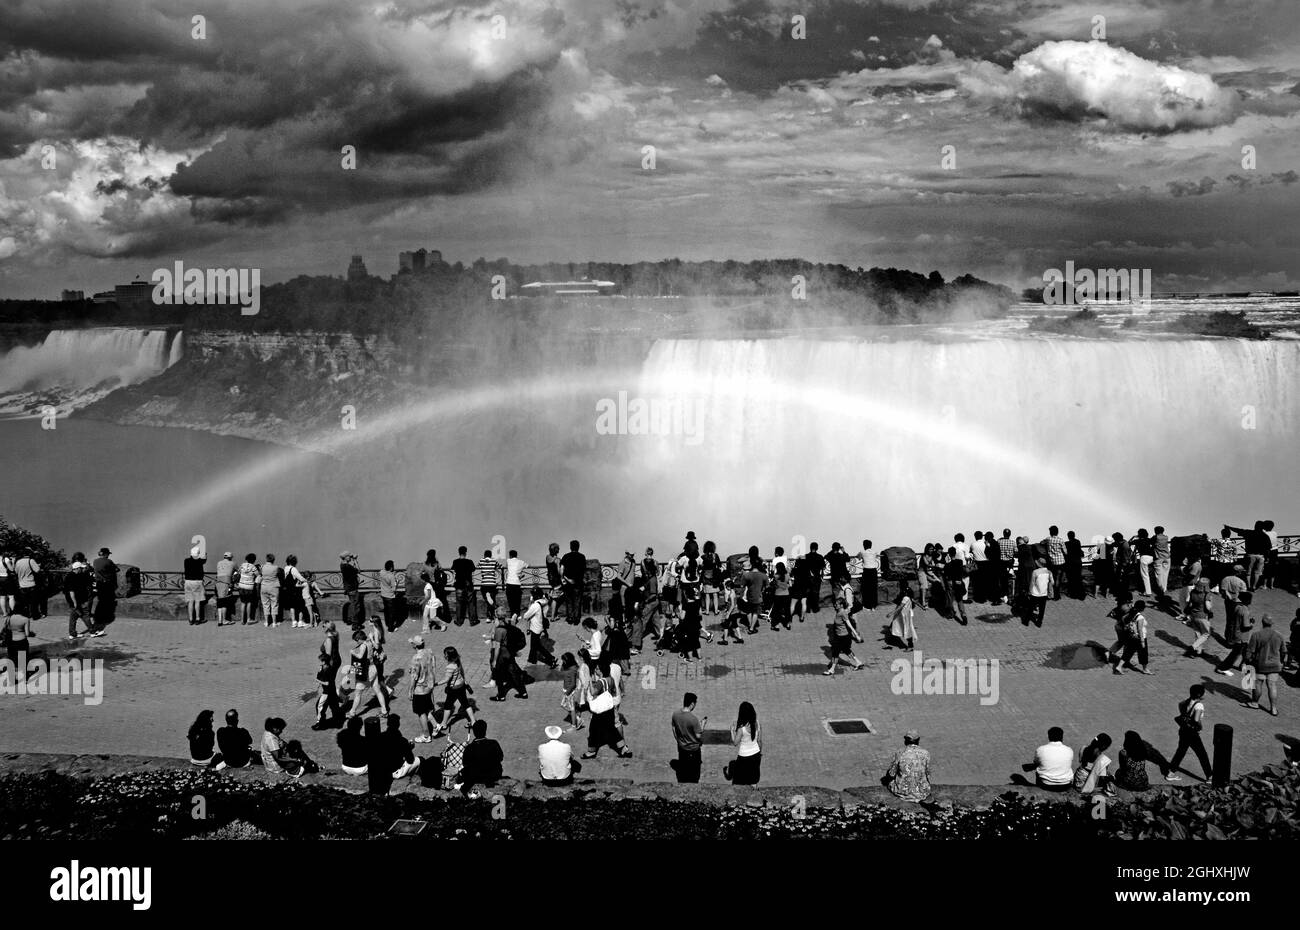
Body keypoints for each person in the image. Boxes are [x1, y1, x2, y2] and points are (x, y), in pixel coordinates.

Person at [580, 672, 632, 760]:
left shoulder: (600, 682)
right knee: (612, 730)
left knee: (593, 730)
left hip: (600, 711)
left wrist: (589, 683)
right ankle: (624, 749)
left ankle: (591, 751)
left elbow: (593, 693)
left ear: (600, 670)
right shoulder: (610, 679)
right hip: (608, 708)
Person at [1166, 685, 1212, 781]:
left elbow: (1180, 704)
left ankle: (1171, 773)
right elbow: (1196, 719)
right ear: (1200, 694)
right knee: (1202, 754)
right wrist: (1200, 726)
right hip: (1192, 733)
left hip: (1183, 730)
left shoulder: (1187, 701)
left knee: (1181, 751)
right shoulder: (1199, 705)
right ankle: (1210, 776)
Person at [1243, 615, 1284, 715]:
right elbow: (1283, 651)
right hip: (1274, 665)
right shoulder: (1279, 635)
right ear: (1272, 623)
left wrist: (1247, 662)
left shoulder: (1256, 635)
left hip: (1260, 664)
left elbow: (1250, 651)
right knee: (1272, 685)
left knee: (1258, 684)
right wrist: (1281, 662)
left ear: (1262, 622)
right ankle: (1273, 709)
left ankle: (1255, 703)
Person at [432, 646, 475, 736]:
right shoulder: (457, 661)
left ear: (449, 656)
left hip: (454, 689)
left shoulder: (450, 666)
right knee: (465, 704)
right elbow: (461, 673)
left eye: (445, 654)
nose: (444, 656)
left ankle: (444, 724)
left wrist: (435, 684)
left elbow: (446, 680)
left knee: (448, 706)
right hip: (461, 685)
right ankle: (473, 722)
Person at [880, 730, 932, 801]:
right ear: (918, 740)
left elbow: (891, 773)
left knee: (889, 779)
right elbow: (928, 774)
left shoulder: (900, 752)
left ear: (906, 740)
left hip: (902, 791)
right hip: (922, 792)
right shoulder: (926, 753)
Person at [403, 635, 438, 741]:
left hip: (420, 689)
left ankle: (426, 736)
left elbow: (414, 677)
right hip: (429, 685)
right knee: (427, 709)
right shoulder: (429, 652)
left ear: (415, 645)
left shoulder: (415, 658)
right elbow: (433, 666)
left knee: (421, 712)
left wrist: (410, 690)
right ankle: (436, 725)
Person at [458, 719, 504, 798]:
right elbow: (500, 757)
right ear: (485, 730)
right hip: (492, 775)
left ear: (474, 732)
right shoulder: (493, 743)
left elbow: (465, 763)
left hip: (475, 776)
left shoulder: (469, 747)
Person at [489, 613, 529, 701]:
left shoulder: (499, 630)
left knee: (499, 675)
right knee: (514, 673)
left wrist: (495, 660)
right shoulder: (509, 623)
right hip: (510, 653)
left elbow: (497, 647)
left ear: (497, 618)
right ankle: (523, 692)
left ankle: (501, 696)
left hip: (502, 655)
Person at [1216, 590, 1255, 676]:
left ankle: (1244, 665)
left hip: (1236, 633)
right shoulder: (1244, 610)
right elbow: (1246, 626)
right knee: (1235, 653)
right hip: (1242, 637)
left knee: (1245, 650)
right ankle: (1222, 667)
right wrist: (1251, 624)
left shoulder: (1238, 607)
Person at [62, 554, 101, 639]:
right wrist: (75, 602)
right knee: (85, 615)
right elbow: (71, 591)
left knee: (74, 618)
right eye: (81, 568)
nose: (82, 569)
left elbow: (66, 591)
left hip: (72, 601)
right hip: (78, 601)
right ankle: (92, 632)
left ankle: (72, 634)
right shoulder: (73, 577)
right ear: (78, 568)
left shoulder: (69, 576)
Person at [1110, 599, 1153, 675]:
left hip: (1132, 637)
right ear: (1142, 608)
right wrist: (1142, 641)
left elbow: (1123, 619)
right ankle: (1145, 669)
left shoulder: (1131, 614)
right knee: (1143, 654)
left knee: (1128, 653)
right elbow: (1140, 630)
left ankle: (1119, 667)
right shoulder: (1140, 617)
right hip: (1140, 638)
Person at [1224, 521, 1270, 591]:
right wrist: (1266, 557)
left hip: (1250, 555)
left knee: (1248, 572)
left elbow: (1238, 530)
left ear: (1255, 526)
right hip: (1260, 556)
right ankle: (1254, 587)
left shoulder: (1249, 533)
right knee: (1257, 573)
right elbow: (1268, 548)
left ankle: (1248, 586)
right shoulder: (1265, 536)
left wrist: (1229, 527)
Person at [671, 692, 705, 783]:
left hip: (682, 748)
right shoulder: (693, 719)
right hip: (693, 750)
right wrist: (702, 726)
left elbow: (673, 728)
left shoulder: (675, 714)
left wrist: (678, 740)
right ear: (692, 704)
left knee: (683, 773)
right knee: (694, 775)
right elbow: (698, 736)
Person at [824, 597, 865, 674]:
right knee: (846, 650)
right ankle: (858, 662)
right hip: (839, 636)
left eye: (837, 604)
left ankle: (832, 669)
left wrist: (856, 635)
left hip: (843, 637)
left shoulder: (842, 613)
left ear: (841, 605)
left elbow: (849, 625)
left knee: (835, 652)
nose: (835, 605)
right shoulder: (839, 611)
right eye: (835, 604)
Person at [724, 701, 761, 785]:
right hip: (756, 754)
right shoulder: (757, 724)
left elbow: (735, 743)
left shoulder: (741, 729)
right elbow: (759, 741)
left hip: (744, 757)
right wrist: (759, 754)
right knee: (753, 780)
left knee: (740, 781)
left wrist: (732, 731)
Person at [1030, 727, 1074, 792]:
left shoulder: (1040, 749)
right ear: (1062, 736)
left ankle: (1039, 790)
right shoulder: (1069, 750)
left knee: (1038, 769)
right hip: (1065, 785)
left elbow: (1036, 762)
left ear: (1048, 736)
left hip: (1046, 784)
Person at [1182, 577, 1214, 657]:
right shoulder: (1207, 594)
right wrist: (1210, 609)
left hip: (1193, 615)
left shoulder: (1193, 592)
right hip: (1202, 616)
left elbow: (1190, 604)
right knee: (1206, 634)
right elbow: (1208, 607)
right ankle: (1192, 648)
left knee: (1198, 634)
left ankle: (1198, 652)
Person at [385, 714, 422, 781]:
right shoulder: (402, 740)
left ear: (387, 723)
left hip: (383, 770)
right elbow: (410, 760)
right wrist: (409, 747)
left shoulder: (381, 736)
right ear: (398, 725)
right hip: (395, 771)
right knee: (420, 759)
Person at [91, 547, 119, 631]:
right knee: (106, 602)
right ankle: (101, 620)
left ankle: (97, 618)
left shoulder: (95, 561)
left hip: (99, 584)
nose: (108, 556)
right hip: (107, 584)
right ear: (106, 554)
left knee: (101, 601)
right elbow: (117, 569)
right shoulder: (108, 562)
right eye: (108, 554)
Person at [312, 655, 343, 730]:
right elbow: (319, 677)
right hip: (330, 691)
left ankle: (320, 722)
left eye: (321, 661)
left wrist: (318, 681)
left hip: (328, 692)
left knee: (319, 706)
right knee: (334, 706)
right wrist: (319, 672)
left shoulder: (329, 670)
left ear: (324, 661)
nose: (319, 662)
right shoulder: (323, 668)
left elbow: (327, 683)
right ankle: (337, 722)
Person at [560, 540, 587, 624]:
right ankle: (576, 618)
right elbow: (584, 570)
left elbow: (561, 569)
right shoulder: (582, 557)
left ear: (570, 547)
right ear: (578, 547)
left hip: (568, 582)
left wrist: (562, 578)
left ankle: (570, 618)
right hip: (578, 582)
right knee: (577, 601)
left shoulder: (565, 556)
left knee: (569, 600)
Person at [450, 546, 478, 626]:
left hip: (459, 585)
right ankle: (472, 621)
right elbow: (473, 569)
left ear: (459, 553)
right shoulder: (469, 562)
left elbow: (453, 570)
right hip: (468, 585)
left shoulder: (455, 562)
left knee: (459, 604)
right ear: (465, 552)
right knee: (471, 603)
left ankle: (459, 621)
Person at [13, 548, 43, 620]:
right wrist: (38, 565)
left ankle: (25, 615)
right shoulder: (31, 561)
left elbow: (16, 572)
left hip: (22, 585)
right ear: (29, 554)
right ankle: (35, 616)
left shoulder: (18, 562)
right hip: (31, 584)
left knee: (24, 602)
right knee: (33, 602)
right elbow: (37, 570)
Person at [943, 547, 969, 624]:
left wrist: (947, 562)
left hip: (951, 582)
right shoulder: (960, 562)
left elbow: (946, 574)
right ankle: (963, 614)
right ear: (955, 553)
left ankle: (951, 614)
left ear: (949, 554)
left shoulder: (947, 565)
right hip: (958, 582)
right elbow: (961, 571)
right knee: (959, 600)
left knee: (950, 600)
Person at [339, 551, 364, 628]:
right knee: (356, 606)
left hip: (348, 588)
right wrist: (355, 560)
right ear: (346, 557)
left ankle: (349, 619)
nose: (350, 557)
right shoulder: (348, 566)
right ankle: (355, 624)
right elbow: (359, 570)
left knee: (352, 604)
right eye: (349, 556)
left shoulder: (342, 565)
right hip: (352, 588)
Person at [1025, 558, 1053, 628]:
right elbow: (1052, 582)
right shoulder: (1049, 572)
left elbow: (1032, 583)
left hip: (1035, 593)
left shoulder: (1035, 572)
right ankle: (1039, 622)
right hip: (1044, 593)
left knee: (1031, 607)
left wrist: (1029, 591)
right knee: (1042, 608)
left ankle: (1026, 621)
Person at [559, 651, 583, 729]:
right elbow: (561, 670)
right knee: (569, 706)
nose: (563, 662)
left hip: (569, 691)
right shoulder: (568, 667)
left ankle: (574, 724)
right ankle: (576, 716)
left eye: (564, 661)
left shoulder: (572, 670)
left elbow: (573, 684)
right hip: (567, 690)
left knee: (569, 707)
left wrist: (567, 693)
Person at [282, 554, 307, 628]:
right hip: (295, 590)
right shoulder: (293, 569)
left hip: (288, 591)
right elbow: (301, 578)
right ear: (294, 562)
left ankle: (294, 621)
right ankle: (300, 621)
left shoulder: (285, 568)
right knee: (301, 606)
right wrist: (306, 581)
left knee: (292, 606)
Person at [1208, 527, 1237, 592]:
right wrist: (1235, 560)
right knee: (1228, 575)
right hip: (1230, 561)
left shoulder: (1219, 541)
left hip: (1220, 561)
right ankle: (1228, 588)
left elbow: (1210, 541)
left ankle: (1217, 588)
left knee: (1219, 575)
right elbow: (1235, 552)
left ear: (1222, 534)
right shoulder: (1233, 542)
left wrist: (1206, 537)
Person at [888, 583, 917, 650]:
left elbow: (901, 606)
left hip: (903, 616)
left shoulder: (905, 598)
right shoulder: (908, 595)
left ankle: (910, 646)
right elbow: (913, 600)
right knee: (893, 626)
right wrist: (922, 607)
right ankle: (893, 639)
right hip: (901, 616)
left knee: (906, 631)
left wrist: (891, 613)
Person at [259, 553, 282, 628]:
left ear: (266, 559)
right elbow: (279, 574)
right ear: (273, 560)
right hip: (274, 587)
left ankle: (266, 622)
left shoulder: (262, 567)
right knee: (274, 604)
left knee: (265, 605)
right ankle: (274, 623)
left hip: (264, 587)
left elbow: (260, 575)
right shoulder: (276, 567)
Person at [378, 559, 401, 633]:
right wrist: (397, 582)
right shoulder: (391, 576)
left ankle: (387, 624)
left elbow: (385, 574)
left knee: (386, 611)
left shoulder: (381, 572)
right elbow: (394, 589)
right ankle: (391, 629)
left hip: (383, 595)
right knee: (391, 613)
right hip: (390, 596)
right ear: (391, 568)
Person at [235, 552, 258, 625]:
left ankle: (242, 620)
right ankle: (248, 619)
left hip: (241, 586)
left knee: (243, 603)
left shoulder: (242, 565)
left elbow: (237, 573)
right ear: (254, 560)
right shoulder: (253, 567)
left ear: (246, 559)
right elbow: (258, 575)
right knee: (248, 603)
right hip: (249, 587)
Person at [477, 548, 501, 617]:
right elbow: (500, 566)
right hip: (492, 583)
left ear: (484, 555)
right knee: (491, 599)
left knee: (488, 600)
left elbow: (477, 566)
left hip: (484, 583)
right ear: (490, 555)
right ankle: (491, 616)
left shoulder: (481, 560)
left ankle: (489, 616)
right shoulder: (494, 560)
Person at [504, 549, 527, 618]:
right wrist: (521, 574)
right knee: (517, 600)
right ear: (516, 555)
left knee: (510, 600)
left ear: (510, 555)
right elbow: (528, 565)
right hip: (517, 583)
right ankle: (518, 614)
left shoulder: (508, 561)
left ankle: (512, 614)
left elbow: (508, 568)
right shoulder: (521, 562)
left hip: (509, 582)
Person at [804, 543, 826, 613]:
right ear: (817, 548)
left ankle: (808, 609)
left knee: (807, 593)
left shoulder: (806, 556)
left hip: (807, 578)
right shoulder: (820, 557)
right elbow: (823, 567)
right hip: (816, 577)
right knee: (816, 593)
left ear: (810, 548)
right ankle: (815, 608)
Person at [1152, 526, 1172, 601]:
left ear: (1155, 531)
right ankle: (1164, 589)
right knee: (1165, 574)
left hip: (1159, 557)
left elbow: (1151, 541)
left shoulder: (1155, 537)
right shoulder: (1166, 537)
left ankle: (1161, 590)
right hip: (1167, 557)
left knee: (1158, 575)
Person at [214, 552, 235, 626]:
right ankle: (224, 620)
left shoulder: (219, 563)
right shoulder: (232, 563)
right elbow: (237, 571)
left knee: (220, 602)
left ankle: (219, 621)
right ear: (230, 557)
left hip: (217, 583)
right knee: (224, 602)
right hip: (225, 583)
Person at [1064, 531, 1085, 600]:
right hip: (1078, 563)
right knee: (1078, 578)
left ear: (1068, 536)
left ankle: (1073, 594)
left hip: (1070, 563)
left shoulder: (1066, 544)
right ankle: (1081, 594)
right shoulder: (1078, 542)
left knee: (1071, 579)